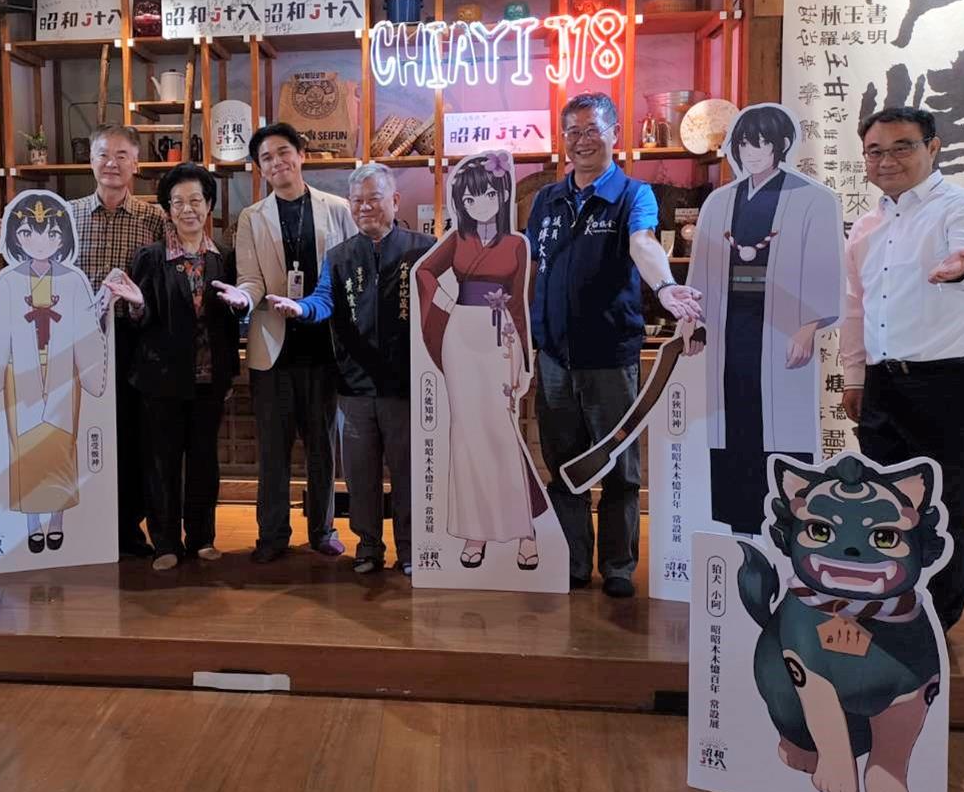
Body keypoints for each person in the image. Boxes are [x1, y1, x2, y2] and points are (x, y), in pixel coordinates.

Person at [525, 93, 703, 597]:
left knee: (620, 464)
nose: (582, 141)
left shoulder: (633, 194)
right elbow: (532, 266)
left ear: (614, 135)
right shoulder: (546, 200)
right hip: (553, 355)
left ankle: (619, 565)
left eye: (592, 130)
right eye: (573, 132)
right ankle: (573, 561)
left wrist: (665, 287)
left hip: (609, 354)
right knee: (564, 464)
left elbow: (642, 244)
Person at [842, 107, 964, 630]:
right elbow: (856, 306)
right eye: (875, 151)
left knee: (944, 507)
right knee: (883, 504)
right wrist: (855, 376)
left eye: (902, 147)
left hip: (951, 382)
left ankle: (935, 622)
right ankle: (889, 603)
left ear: (932, 148)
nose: (887, 160)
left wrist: (962, 269)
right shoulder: (866, 226)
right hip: (884, 385)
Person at [267, 162, 433, 576]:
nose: (364, 208)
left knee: (408, 475)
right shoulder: (340, 256)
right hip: (354, 387)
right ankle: (369, 546)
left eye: (374, 199)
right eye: (357, 201)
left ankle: (411, 549)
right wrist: (300, 308)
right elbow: (323, 300)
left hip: (406, 386)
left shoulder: (424, 250)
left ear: (395, 201)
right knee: (360, 475)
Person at [687, 102, 843, 538]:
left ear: (782, 146)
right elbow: (701, 270)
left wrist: (809, 326)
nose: (751, 154)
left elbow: (824, 268)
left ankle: (787, 526)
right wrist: (695, 322)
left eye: (761, 144)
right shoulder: (719, 202)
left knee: (780, 425)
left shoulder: (813, 200)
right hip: (728, 325)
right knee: (730, 419)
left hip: (780, 328)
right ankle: (736, 526)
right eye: (744, 145)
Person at [0, 190, 110, 557]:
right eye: (28, 233)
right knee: (24, 449)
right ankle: (30, 525)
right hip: (20, 375)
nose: (40, 242)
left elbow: (88, 326)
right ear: (15, 237)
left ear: (63, 238)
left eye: (51, 234)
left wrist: (107, 298)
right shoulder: (8, 281)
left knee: (60, 447)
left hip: (63, 375)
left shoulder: (72, 280)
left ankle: (55, 521)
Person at [417, 150, 550, 572]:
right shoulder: (456, 239)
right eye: (470, 199)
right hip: (461, 336)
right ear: (461, 203)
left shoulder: (517, 244)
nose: (480, 205)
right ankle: (474, 530)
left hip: (500, 337)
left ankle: (525, 530)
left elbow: (520, 306)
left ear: (503, 193)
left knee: (500, 431)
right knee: (466, 433)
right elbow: (424, 272)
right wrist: (444, 302)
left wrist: (524, 361)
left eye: (488, 194)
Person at [105, 164, 241, 571]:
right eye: (178, 202)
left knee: (204, 462)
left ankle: (201, 538)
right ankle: (164, 541)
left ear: (209, 205)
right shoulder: (150, 257)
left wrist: (229, 373)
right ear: (167, 209)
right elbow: (139, 320)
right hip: (160, 380)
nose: (187, 209)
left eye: (195, 200)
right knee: (161, 462)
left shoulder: (223, 258)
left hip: (209, 379)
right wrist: (138, 305)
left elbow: (229, 321)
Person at [232, 122, 358, 563]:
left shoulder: (337, 209)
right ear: (260, 168)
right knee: (273, 450)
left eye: (283, 152)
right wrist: (242, 298)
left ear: (301, 154)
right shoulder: (251, 218)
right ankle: (271, 536)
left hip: (324, 348)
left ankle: (323, 530)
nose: (276, 162)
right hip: (273, 349)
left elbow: (349, 272)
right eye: (266, 158)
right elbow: (250, 278)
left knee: (323, 448)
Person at [67, 126, 164, 559]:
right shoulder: (67, 216)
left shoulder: (154, 219)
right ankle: (80, 524)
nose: (112, 163)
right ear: (90, 161)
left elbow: (162, 288)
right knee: (77, 431)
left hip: (131, 340)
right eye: (103, 154)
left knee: (129, 436)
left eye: (122, 155)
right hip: (75, 341)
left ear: (136, 164)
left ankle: (127, 527)